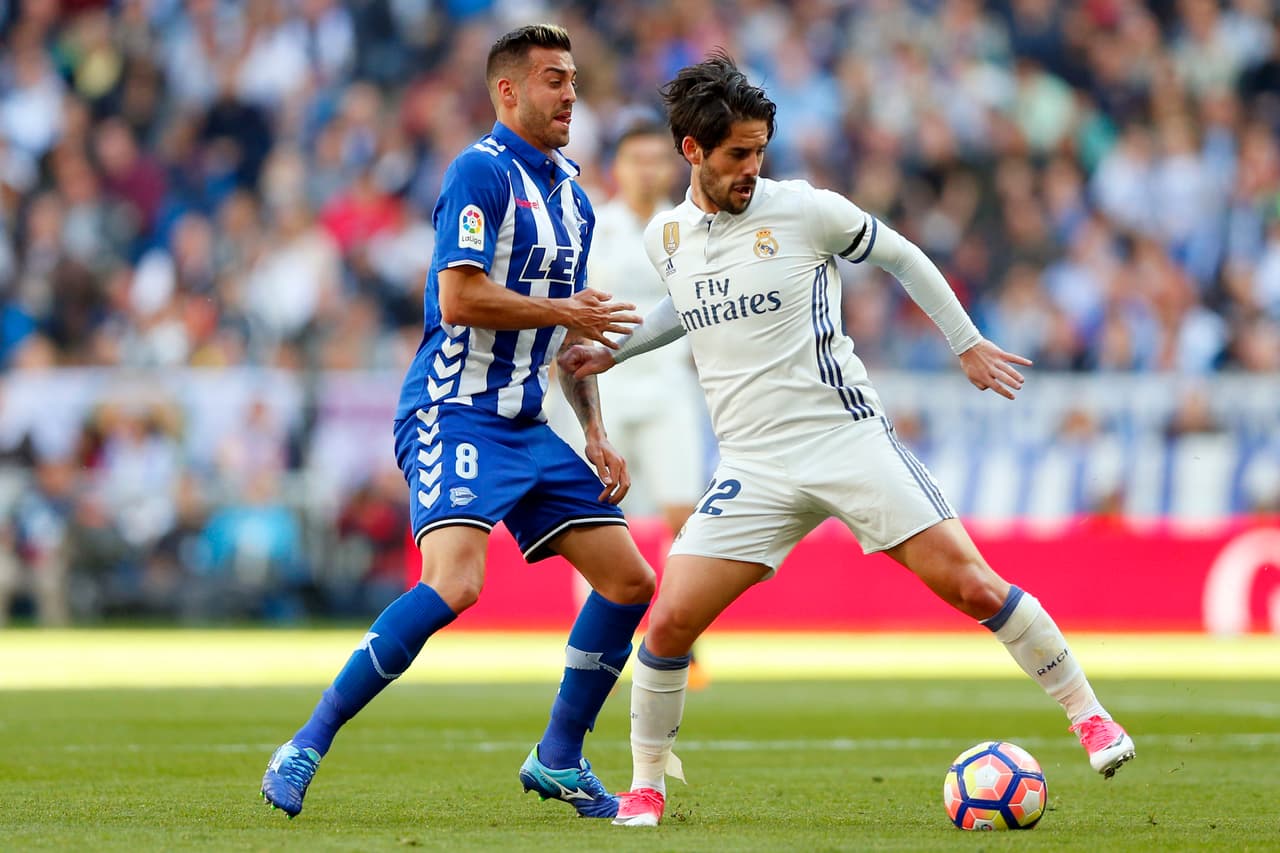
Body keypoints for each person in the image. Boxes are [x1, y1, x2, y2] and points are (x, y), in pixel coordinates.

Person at [559, 53, 1136, 828]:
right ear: (692, 150)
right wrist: (616, 351)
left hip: (845, 439)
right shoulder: (667, 236)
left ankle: (1089, 715)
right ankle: (646, 787)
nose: (752, 167)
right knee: (666, 627)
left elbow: (901, 254)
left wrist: (966, 341)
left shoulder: (805, 210)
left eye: (760, 151)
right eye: (738, 153)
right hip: (753, 466)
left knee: (972, 584)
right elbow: (684, 306)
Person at [260, 24, 656, 821]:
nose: (570, 94)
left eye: (573, 79)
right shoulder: (480, 171)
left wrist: (595, 431)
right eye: (553, 79)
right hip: (455, 411)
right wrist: (563, 312)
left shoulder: (574, 200)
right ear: (507, 91)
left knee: (629, 580)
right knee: (455, 582)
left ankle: (558, 756)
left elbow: (568, 335)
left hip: (528, 422)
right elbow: (459, 296)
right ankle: (306, 740)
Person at [549, 118, 713, 689]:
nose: (647, 170)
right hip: (605, 389)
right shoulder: (593, 226)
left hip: (669, 386)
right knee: (596, 515)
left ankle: (678, 637)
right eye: (636, 160)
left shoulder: (689, 228)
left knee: (683, 517)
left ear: (672, 166)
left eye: (655, 160)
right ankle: (593, 642)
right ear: (617, 167)